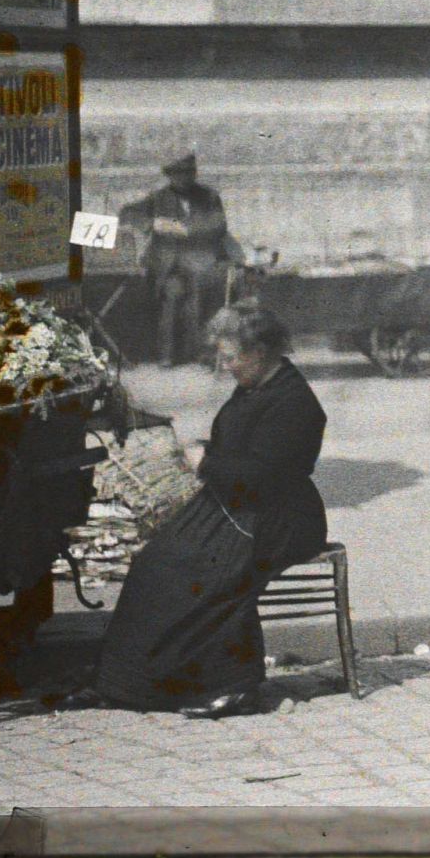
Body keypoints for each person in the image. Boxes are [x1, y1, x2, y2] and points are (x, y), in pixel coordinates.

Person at [92, 307, 328, 717]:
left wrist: (206, 462)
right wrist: (205, 451)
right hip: (239, 505)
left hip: (280, 517)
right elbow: (242, 449)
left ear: (262, 351)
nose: (225, 365)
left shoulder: (294, 402)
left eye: (233, 356)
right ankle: (135, 683)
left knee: (204, 569)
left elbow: (265, 474)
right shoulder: (255, 387)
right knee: (156, 560)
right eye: (222, 356)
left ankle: (236, 686)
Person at [121, 153, 235, 367]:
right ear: (170, 176)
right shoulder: (158, 197)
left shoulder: (209, 196)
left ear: (194, 174)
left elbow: (219, 226)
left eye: (187, 174)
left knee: (200, 294)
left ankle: (202, 353)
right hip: (168, 265)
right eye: (177, 174)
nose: (183, 179)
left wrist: (186, 229)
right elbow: (127, 214)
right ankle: (167, 355)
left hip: (203, 262)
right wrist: (153, 223)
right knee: (171, 294)